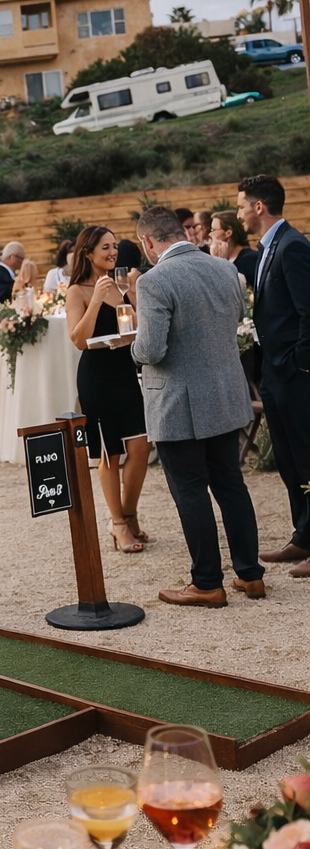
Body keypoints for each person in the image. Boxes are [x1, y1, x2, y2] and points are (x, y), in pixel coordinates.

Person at [133, 206, 263, 606]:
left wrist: (132, 347)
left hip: (178, 403)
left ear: (148, 241)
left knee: (190, 491)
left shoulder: (153, 281)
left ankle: (207, 583)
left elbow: (151, 350)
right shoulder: (225, 269)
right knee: (231, 485)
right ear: (180, 232)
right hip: (225, 394)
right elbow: (236, 319)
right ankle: (250, 575)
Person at [236, 174, 310, 577]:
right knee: (288, 458)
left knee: (307, 457)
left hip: (295, 373)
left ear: (259, 207)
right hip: (275, 373)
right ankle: (304, 535)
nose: (239, 214)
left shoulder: (293, 246)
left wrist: (299, 363)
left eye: (241, 206)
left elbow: (308, 311)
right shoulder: (268, 247)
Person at [66, 226, 151, 553]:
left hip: (125, 371)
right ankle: (117, 523)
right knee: (109, 452)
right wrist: (96, 300)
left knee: (141, 445)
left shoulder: (122, 284)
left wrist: (134, 294)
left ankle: (129, 513)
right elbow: (78, 340)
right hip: (96, 376)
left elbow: (138, 329)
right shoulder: (77, 290)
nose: (113, 252)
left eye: (114, 246)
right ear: (88, 253)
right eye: (105, 247)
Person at [209, 211, 258, 290]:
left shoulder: (249, 260)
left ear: (228, 233)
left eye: (213, 230)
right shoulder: (225, 259)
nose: (210, 234)